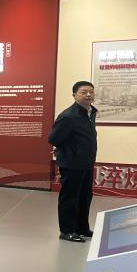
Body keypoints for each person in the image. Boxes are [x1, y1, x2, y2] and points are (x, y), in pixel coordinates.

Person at [48, 80, 98, 243]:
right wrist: (70, 151)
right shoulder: (68, 116)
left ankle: (82, 228)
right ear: (74, 95)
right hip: (71, 164)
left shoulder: (90, 113)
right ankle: (67, 231)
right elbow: (54, 138)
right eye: (83, 92)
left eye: (91, 91)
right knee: (70, 198)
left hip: (87, 163)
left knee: (85, 196)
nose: (88, 95)